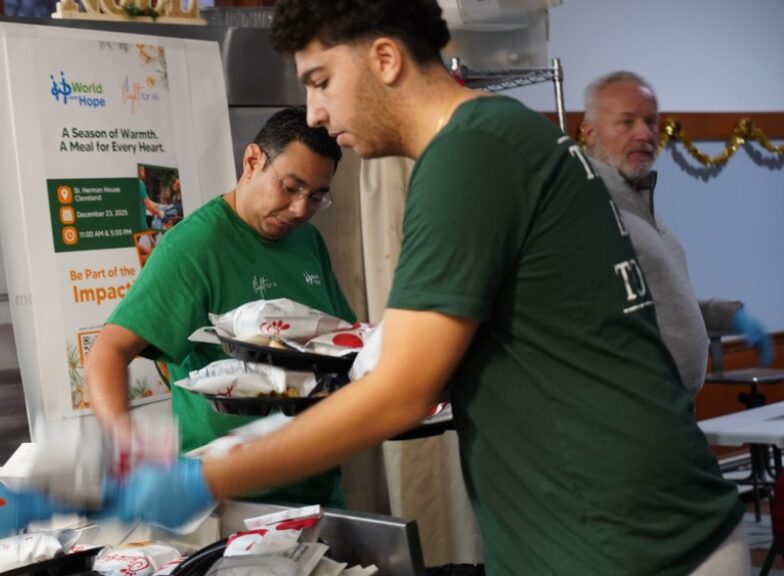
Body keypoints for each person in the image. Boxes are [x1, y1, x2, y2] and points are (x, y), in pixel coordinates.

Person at [100, 2, 751, 575]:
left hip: (632, 543)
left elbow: (400, 393)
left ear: (384, 59)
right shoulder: (507, 135)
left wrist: (202, 479)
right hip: (613, 531)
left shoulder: (469, 157)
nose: (316, 111)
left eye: (321, 81)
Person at [86, 107, 354, 507]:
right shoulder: (194, 248)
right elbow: (107, 352)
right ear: (252, 161)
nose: (301, 209)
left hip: (317, 483)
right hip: (230, 497)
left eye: (316, 197)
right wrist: (127, 443)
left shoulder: (307, 240)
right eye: (290, 187)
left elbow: (344, 341)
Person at [581, 70, 774, 396]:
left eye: (651, 121)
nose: (644, 133)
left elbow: (660, 304)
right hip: (635, 406)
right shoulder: (589, 212)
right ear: (590, 132)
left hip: (672, 406)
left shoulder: (644, 209)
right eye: (626, 122)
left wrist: (727, 315)